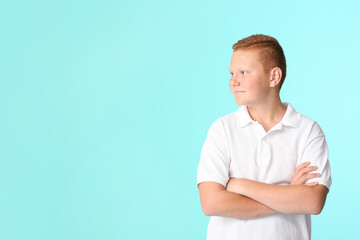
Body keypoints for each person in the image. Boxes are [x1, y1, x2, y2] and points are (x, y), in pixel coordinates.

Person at [196, 34, 332, 240]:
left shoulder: (308, 131)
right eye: (232, 73)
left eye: (244, 72)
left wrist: (240, 185)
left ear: (273, 77)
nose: (234, 81)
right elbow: (211, 203)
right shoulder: (222, 129)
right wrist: (288, 196)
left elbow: (312, 202)